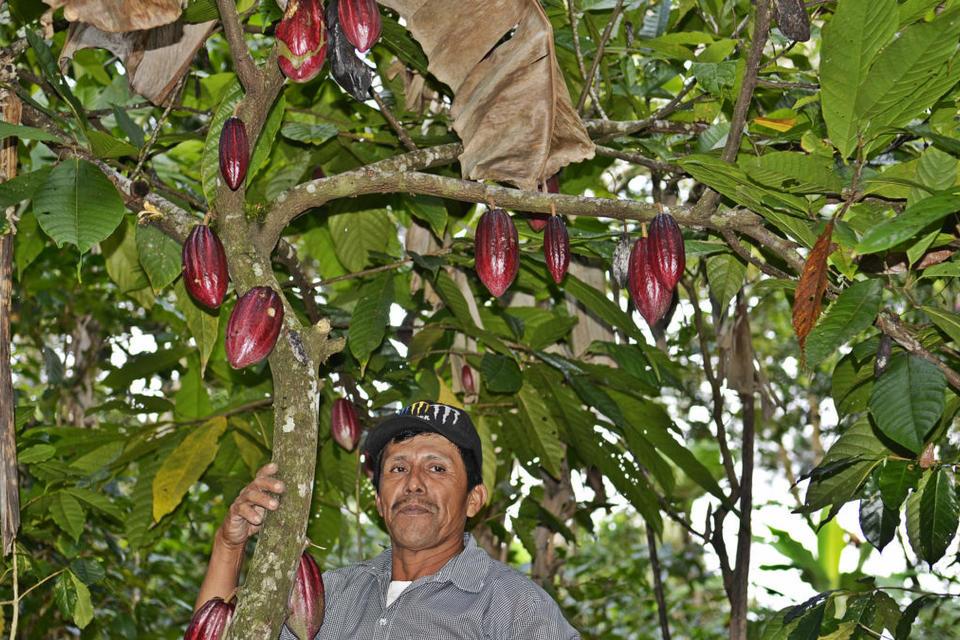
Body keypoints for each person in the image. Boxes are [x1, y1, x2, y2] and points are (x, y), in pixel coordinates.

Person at [196, 400, 581, 639]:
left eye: (436, 468)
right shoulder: (327, 595)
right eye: (397, 468)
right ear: (380, 501)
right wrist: (230, 547)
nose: (414, 483)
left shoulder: (511, 606)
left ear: (473, 500)